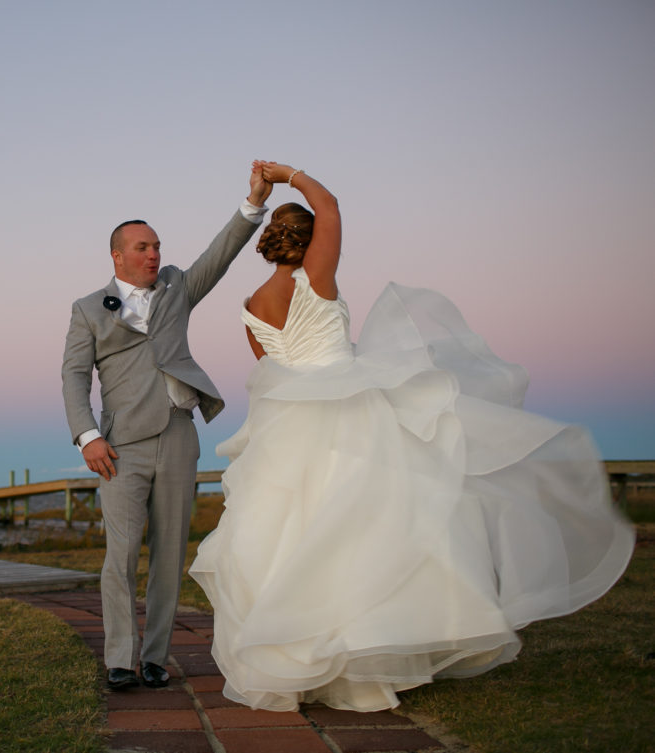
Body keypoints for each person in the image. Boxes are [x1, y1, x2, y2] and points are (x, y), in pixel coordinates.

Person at [189, 161, 636, 712]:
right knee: (371, 528)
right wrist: (289, 173)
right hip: (350, 415)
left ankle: (298, 654)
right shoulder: (317, 279)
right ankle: (364, 649)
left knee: (294, 536)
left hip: (285, 428)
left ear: (271, 243)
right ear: (308, 243)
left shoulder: (251, 306)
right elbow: (329, 207)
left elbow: (270, 372)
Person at [61, 164, 272, 690]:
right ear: (117, 256)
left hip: (179, 436)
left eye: (156, 245)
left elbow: (217, 257)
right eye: (142, 247)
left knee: (170, 554)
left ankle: (155, 656)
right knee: (121, 555)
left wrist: (252, 204)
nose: (153, 253)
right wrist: (88, 436)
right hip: (119, 446)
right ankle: (118, 657)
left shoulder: (178, 286)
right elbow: (73, 375)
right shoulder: (88, 309)